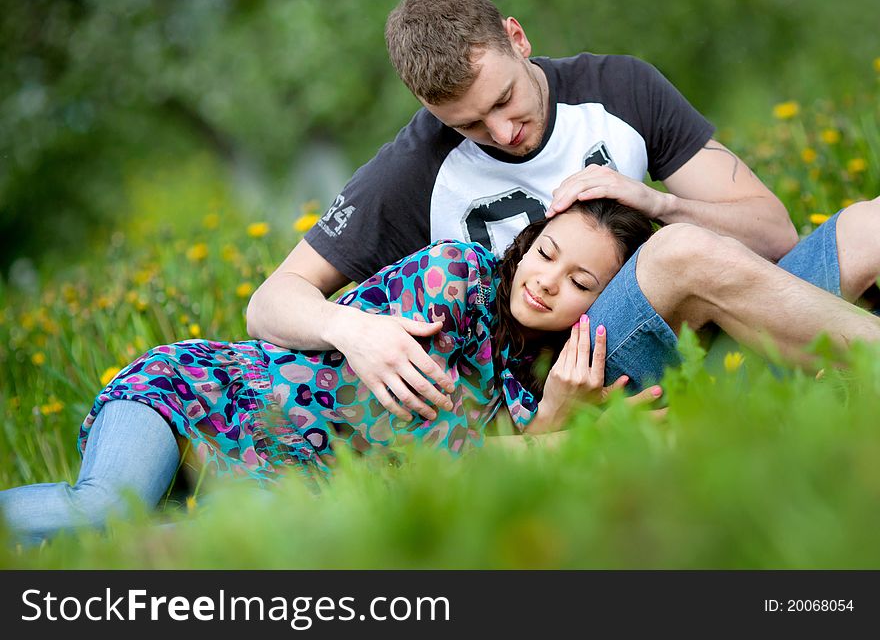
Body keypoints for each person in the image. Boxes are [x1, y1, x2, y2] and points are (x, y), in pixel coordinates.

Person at [248, 0, 855, 413]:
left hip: (700, 311)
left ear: (517, 37)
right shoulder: (412, 170)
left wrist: (658, 202)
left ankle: (781, 368)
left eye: (504, 100)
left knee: (871, 226)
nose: (504, 133)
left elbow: (774, 233)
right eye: (470, 125)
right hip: (569, 377)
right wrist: (350, 329)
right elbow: (270, 302)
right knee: (679, 255)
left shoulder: (620, 88)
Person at [0, 200, 657, 546]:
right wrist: (548, 433)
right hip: (197, 394)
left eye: (578, 281)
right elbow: (425, 457)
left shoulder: (529, 384)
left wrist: (551, 418)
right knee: (106, 509)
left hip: (273, 478)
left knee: (188, 551)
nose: (545, 281)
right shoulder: (456, 277)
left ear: (596, 305)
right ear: (528, 239)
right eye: (546, 252)